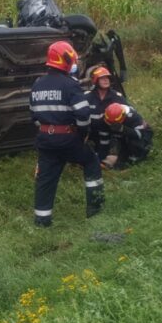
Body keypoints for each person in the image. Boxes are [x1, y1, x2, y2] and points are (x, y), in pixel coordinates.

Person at [30, 41, 104, 228]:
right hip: (69, 139)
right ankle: (95, 208)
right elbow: (83, 114)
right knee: (91, 161)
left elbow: (34, 116)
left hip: (45, 140)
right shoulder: (70, 84)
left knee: (46, 179)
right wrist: (82, 133)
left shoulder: (37, 84)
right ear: (65, 60)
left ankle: (42, 220)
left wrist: (48, 130)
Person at [84, 66, 126, 162]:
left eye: (107, 78)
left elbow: (129, 111)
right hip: (92, 133)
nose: (106, 80)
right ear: (96, 80)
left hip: (111, 133)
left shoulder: (116, 96)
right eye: (102, 78)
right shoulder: (87, 97)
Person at [100, 102, 153, 169]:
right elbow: (104, 137)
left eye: (114, 123)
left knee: (134, 142)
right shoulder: (105, 117)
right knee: (119, 162)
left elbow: (139, 135)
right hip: (122, 137)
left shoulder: (134, 117)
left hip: (141, 135)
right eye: (110, 123)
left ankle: (136, 157)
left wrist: (123, 129)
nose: (111, 124)